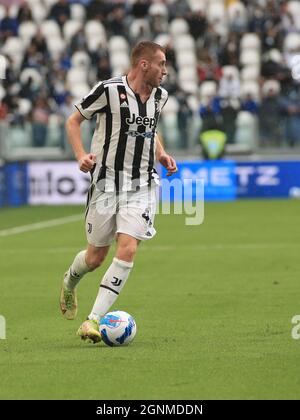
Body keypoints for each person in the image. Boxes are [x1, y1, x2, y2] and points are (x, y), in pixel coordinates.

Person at [60, 41, 177, 343]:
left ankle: (92, 320)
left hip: (142, 185)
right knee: (95, 256)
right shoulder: (109, 90)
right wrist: (80, 155)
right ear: (144, 65)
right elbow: (73, 121)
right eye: (161, 64)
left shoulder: (160, 97)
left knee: (128, 247)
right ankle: (70, 282)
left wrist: (161, 153)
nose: (165, 71)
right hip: (105, 184)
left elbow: (150, 129)